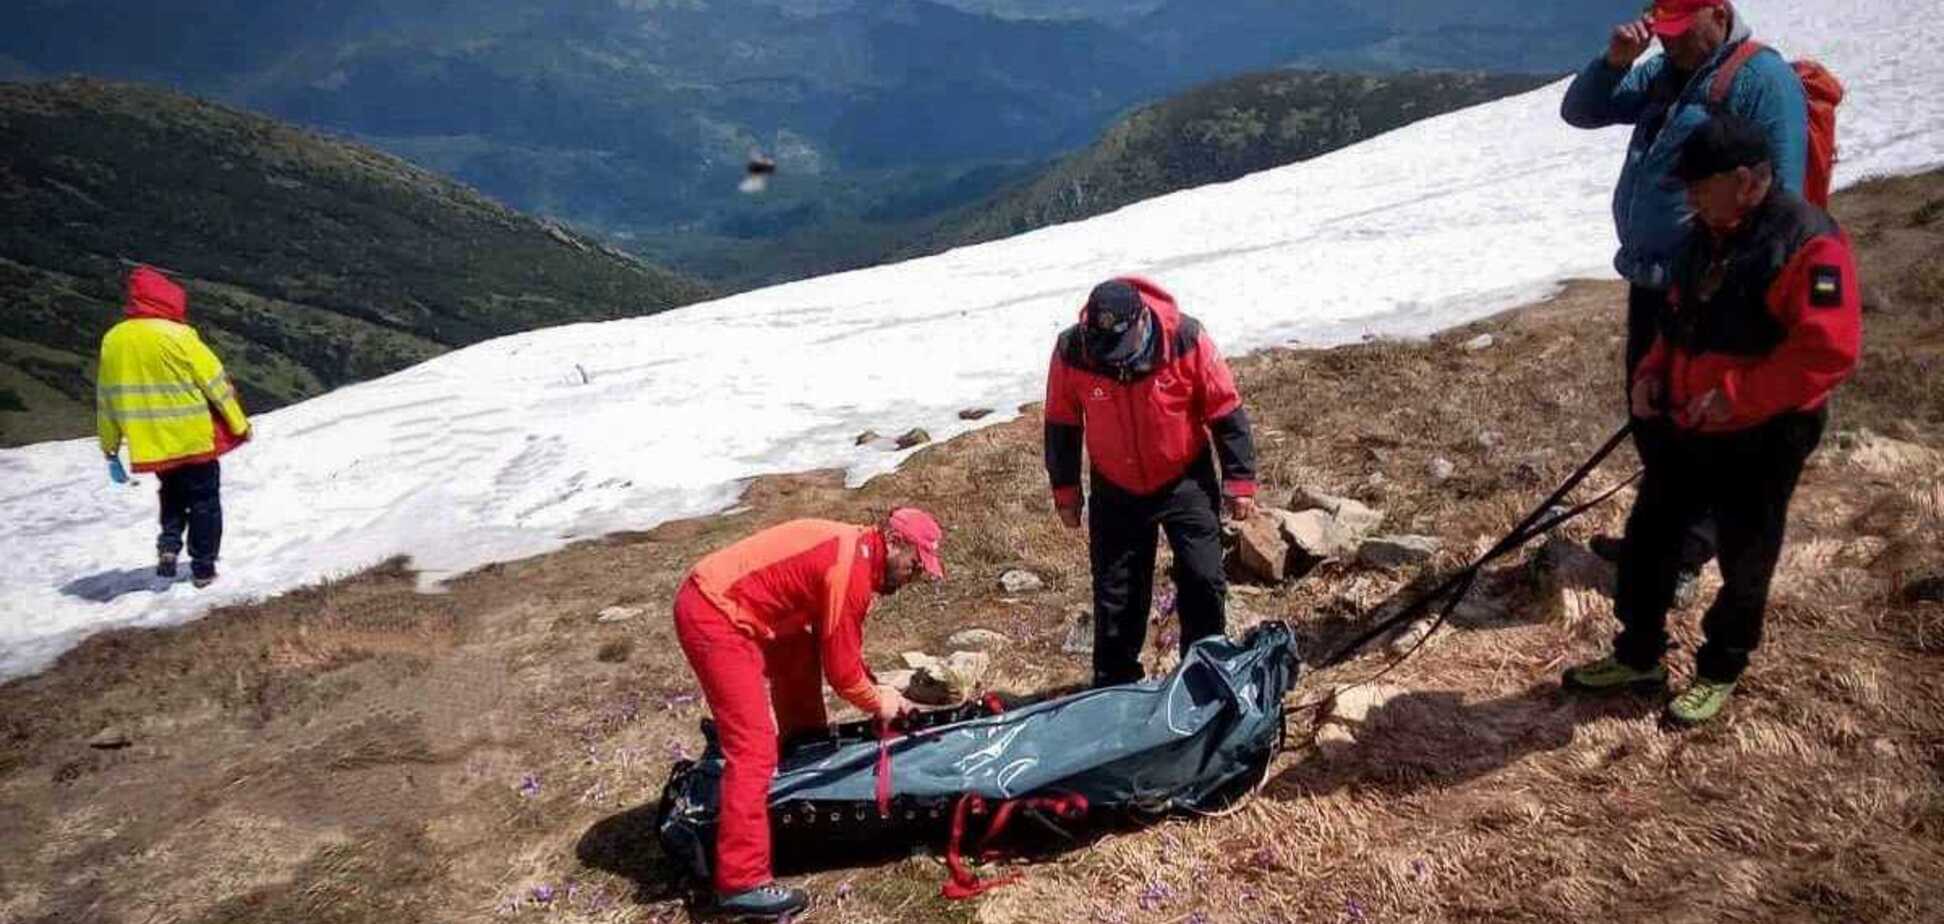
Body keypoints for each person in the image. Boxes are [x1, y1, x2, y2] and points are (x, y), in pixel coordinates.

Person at [1563, 114, 1860, 727]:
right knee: (1649, 538)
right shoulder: (1706, 235)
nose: (1690, 195)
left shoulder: (1807, 243)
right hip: (1690, 425)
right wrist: (1650, 374)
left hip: (1765, 434)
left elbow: (1827, 350)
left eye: (1701, 184)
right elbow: (1676, 322)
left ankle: (1720, 667)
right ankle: (1638, 655)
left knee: (1745, 553)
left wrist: (1737, 396)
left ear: (1748, 179)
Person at [1560, 0, 1809, 586]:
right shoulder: (1664, 71)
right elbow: (1582, 111)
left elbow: (1784, 197)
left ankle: (1686, 556)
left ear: (1718, 14)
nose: (1668, 42)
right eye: (1662, 32)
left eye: (1679, 31)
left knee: (1702, 426)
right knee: (1652, 414)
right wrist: (1616, 61)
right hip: (1652, 281)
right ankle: (1661, 535)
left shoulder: (1761, 80)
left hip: (1708, 289)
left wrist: (1742, 292)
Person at [672, 508, 945, 919]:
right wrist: (883, 702)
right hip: (716, 614)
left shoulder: (856, 552)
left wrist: (878, 690)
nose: (913, 578)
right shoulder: (850, 570)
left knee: (799, 649)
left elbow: (840, 648)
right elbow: (844, 677)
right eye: (914, 565)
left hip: (735, 602)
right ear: (895, 541)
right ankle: (741, 884)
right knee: (753, 748)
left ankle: (804, 747)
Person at [1044, 277, 1258, 687]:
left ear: (1142, 321)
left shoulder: (1185, 339)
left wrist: (1240, 480)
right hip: (1115, 486)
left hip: (1184, 478)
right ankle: (1115, 685)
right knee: (1116, 594)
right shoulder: (1073, 350)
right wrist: (1066, 491)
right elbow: (1062, 422)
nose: (1114, 361)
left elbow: (1225, 407)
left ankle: (1203, 672)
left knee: (1202, 576)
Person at [96, 265, 252, 588]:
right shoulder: (179, 335)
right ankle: (203, 568)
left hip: (152, 441)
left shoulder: (113, 340)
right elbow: (214, 382)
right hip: (193, 436)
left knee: (171, 493)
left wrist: (110, 447)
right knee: (204, 500)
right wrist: (239, 424)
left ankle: (169, 546)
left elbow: (107, 397)